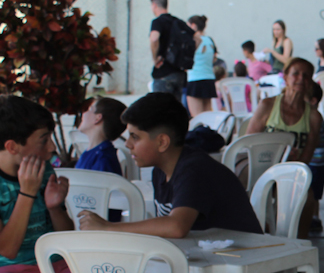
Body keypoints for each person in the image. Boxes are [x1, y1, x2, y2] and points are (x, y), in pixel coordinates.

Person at [78, 92, 263, 238]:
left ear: (162, 142)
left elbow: (176, 227)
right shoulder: (160, 171)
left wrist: (108, 227)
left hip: (246, 267)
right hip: (210, 262)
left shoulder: (194, 169)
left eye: (135, 137)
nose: (128, 144)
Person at [0, 95, 78, 273]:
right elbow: (7, 249)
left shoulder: (44, 169)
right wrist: (27, 193)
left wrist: (55, 208)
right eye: (44, 140)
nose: (52, 147)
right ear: (12, 147)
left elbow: (66, 238)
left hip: (57, 267)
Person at [247, 57, 324, 197]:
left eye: (306, 75)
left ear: (310, 82)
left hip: (292, 173)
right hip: (261, 169)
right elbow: (248, 142)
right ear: (286, 77)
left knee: (308, 200)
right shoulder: (267, 105)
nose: (301, 78)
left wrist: (290, 166)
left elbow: (306, 157)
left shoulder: (314, 116)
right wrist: (277, 151)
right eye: (296, 73)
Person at [148, 0, 188, 103]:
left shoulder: (157, 22)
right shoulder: (178, 22)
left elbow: (154, 38)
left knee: (161, 108)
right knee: (176, 109)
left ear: (154, 5)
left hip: (163, 72)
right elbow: (196, 39)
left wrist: (155, 58)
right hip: (179, 73)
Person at [75, 97, 127, 175]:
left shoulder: (103, 159)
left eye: (90, 109)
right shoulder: (94, 152)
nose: (84, 113)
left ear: (98, 118)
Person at [306, 82, 324, 234]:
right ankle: (314, 217)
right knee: (314, 193)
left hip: (315, 162)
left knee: (313, 193)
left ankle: (313, 217)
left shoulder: (314, 118)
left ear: (312, 101)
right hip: (316, 163)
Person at [185, 15, 217, 117]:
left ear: (193, 26)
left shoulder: (193, 40)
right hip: (209, 79)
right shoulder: (209, 40)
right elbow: (214, 58)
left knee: (197, 117)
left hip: (195, 79)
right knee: (207, 115)